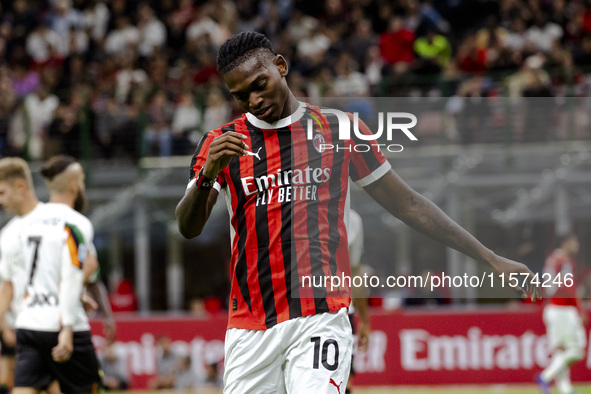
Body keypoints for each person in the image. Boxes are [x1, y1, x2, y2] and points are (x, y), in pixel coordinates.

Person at [175, 31, 540, 394]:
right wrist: (208, 174)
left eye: (260, 84)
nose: (254, 100)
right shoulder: (220, 143)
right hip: (250, 328)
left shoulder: (340, 129)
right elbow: (188, 227)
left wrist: (490, 258)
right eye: (240, 96)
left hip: (320, 317)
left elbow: (409, 204)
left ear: (281, 67)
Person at [0, 157, 101, 394]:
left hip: (27, 321)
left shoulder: (22, 228)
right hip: (62, 322)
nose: (1, 200)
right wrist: (70, 300)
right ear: (75, 185)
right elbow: (81, 269)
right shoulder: (74, 223)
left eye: (3, 192)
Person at [39, 155, 116, 344]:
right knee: (90, 375)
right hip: (69, 322)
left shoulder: (30, 221)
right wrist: (74, 294)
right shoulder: (77, 224)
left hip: (31, 321)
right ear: (74, 185)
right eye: (82, 181)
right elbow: (90, 267)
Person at [536, 233, 587, 394]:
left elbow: (549, 286)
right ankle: (545, 376)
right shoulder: (565, 261)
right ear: (566, 243)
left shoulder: (551, 258)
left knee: (561, 351)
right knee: (577, 350)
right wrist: (579, 308)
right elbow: (568, 286)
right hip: (564, 310)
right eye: (574, 242)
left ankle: (565, 389)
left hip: (552, 309)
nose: (576, 246)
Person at [346, 210, 369, 394]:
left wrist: (365, 320)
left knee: (344, 378)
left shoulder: (353, 219)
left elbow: (355, 273)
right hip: (294, 311)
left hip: (342, 313)